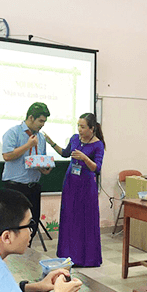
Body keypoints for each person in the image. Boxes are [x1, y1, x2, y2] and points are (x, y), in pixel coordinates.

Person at [46, 113, 105, 267]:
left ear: (92, 129)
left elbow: (96, 168)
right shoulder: (74, 139)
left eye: (83, 126)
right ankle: (68, 254)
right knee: (69, 217)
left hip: (86, 187)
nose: (79, 129)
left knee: (84, 220)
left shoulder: (98, 144)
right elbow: (65, 153)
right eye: (78, 125)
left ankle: (85, 258)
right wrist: (51, 142)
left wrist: (84, 158)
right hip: (71, 183)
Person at [2, 102, 52, 232]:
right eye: (40, 121)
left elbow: (39, 160)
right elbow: (7, 156)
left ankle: (28, 247)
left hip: (33, 187)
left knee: (32, 225)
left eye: (44, 122)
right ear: (31, 118)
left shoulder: (40, 137)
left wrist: (45, 168)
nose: (42, 124)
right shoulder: (13, 133)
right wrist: (28, 145)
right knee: (14, 224)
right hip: (15, 187)